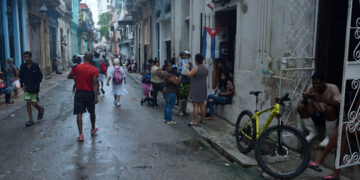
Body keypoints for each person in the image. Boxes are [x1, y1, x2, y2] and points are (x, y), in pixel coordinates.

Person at [297, 73, 341, 147]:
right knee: (301, 107)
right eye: (314, 83)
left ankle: (329, 137)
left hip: (332, 117)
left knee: (329, 108)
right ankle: (313, 132)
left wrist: (322, 99)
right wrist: (305, 99)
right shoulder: (312, 88)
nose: (315, 86)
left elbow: (340, 105)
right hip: (318, 115)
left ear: (324, 82)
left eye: (318, 83)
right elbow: (304, 102)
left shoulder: (333, 88)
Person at [67, 52, 99, 142]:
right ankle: (93, 129)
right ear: (91, 59)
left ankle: (81, 134)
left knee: (79, 113)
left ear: (83, 58)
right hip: (89, 94)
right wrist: (96, 97)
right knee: (92, 112)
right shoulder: (94, 70)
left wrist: (76, 77)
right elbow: (94, 83)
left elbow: (69, 76)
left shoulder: (77, 67)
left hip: (79, 93)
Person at [19, 51, 45, 127]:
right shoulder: (23, 66)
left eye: (27, 57)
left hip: (34, 88)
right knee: (28, 103)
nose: (26, 58)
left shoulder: (35, 66)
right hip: (26, 88)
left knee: (34, 103)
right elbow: (21, 77)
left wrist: (37, 86)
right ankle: (31, 120)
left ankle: (40, 109)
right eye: (25, 57)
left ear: (30, 57)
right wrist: (22, 85)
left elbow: (40, 77)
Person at [186, 53, 208, 125]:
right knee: (202, 104)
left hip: (196, 87)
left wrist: (187, 68)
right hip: (203, 87)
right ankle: (203, 120)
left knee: (195, 104)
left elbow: (189, 75)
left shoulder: (196, 68)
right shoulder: (205, 68)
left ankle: (195, 121)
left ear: (196, 61)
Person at [177, 51, 193, 115]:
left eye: (187, 55)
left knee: (185, 95)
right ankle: (181, 110)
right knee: (182, 95)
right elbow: (179, 71)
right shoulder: (181, 62)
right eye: (185, 55)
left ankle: (184, 110)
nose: (186, 56)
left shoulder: (189, 62)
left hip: (187, 80)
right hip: (184, 80)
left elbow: (191, 70)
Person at [163, 60, 178, 125]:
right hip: (171, 92)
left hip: (166, 91)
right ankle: (169, 120)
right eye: (169, 66)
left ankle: (166, 118)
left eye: (171, 66)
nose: (171, 67)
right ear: (166, 67)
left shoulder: (165, 73)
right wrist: (179, 78)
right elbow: (176, 82)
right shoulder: (170, 75)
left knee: (167, 105)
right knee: (169, 106)